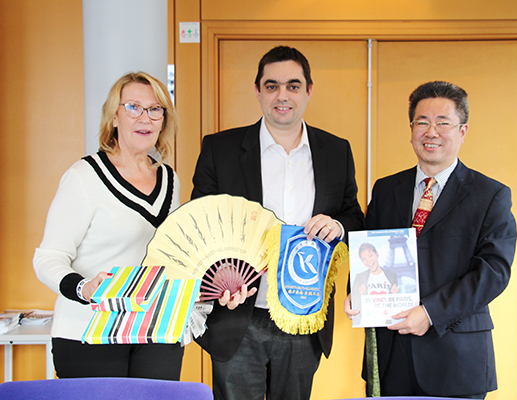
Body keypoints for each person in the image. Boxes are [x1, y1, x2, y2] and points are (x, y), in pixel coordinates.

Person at [191, 45, 365, 400]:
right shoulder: (219, 149)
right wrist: (219, 272)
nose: (282, 96)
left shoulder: (337, 151)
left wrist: (338, 226)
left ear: (308, 91)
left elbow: (354, 216)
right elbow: (200, 224)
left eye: (293, 86)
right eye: (272, 86)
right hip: (235, 313)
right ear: (258, 91)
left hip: (305, 313)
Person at [344, 81, 517, 398]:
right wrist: (356, 291)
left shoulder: (490, 195)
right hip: (391, 355)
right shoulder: (386, 189)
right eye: (422, 122)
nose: (431, 132)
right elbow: (368, 249)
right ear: (411, 129)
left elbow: (494, 272)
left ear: (462, 131)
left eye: (443, 123)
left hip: (456, 358)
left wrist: (431, 312)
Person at [33, 72, 183, 380]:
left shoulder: (170, 179)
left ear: (163, 120)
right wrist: (84, 287)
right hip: (89, 332)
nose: (145, 117)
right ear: (114, 117)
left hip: (156, 330)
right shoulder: (84, 177)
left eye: (155, 109)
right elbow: (47, 257)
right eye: (133, 107)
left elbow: (176, 255)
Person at [351, 242, 398, 325]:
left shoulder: (392, 275)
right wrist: (361, 294)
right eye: (364, 259)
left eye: (370, 256)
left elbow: (396, 303)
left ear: (377, 255)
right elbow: (356, 304)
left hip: (388, 322)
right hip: (366, 322)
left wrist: (394, 295)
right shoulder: (359, 277)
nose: (368, 261)